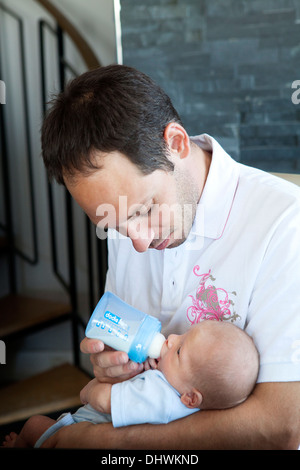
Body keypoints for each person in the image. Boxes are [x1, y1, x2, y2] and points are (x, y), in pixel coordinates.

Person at [40, 65, 300, 449]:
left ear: (176, 143)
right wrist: (112, 368)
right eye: (114, 224)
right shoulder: (128, 221)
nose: (139, 243)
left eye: (145, 209)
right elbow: (120, 362)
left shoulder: (285, 223)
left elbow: (283, 424)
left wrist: (107, 444)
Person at [2, 321, 259, 448]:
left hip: (82, 429)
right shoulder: (175, 390)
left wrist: (88, 391)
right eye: (182, 335)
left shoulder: (161, 395)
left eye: (179, 351)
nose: (171, 338)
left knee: (34, 423)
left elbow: (104, 401)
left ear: (191, 398)